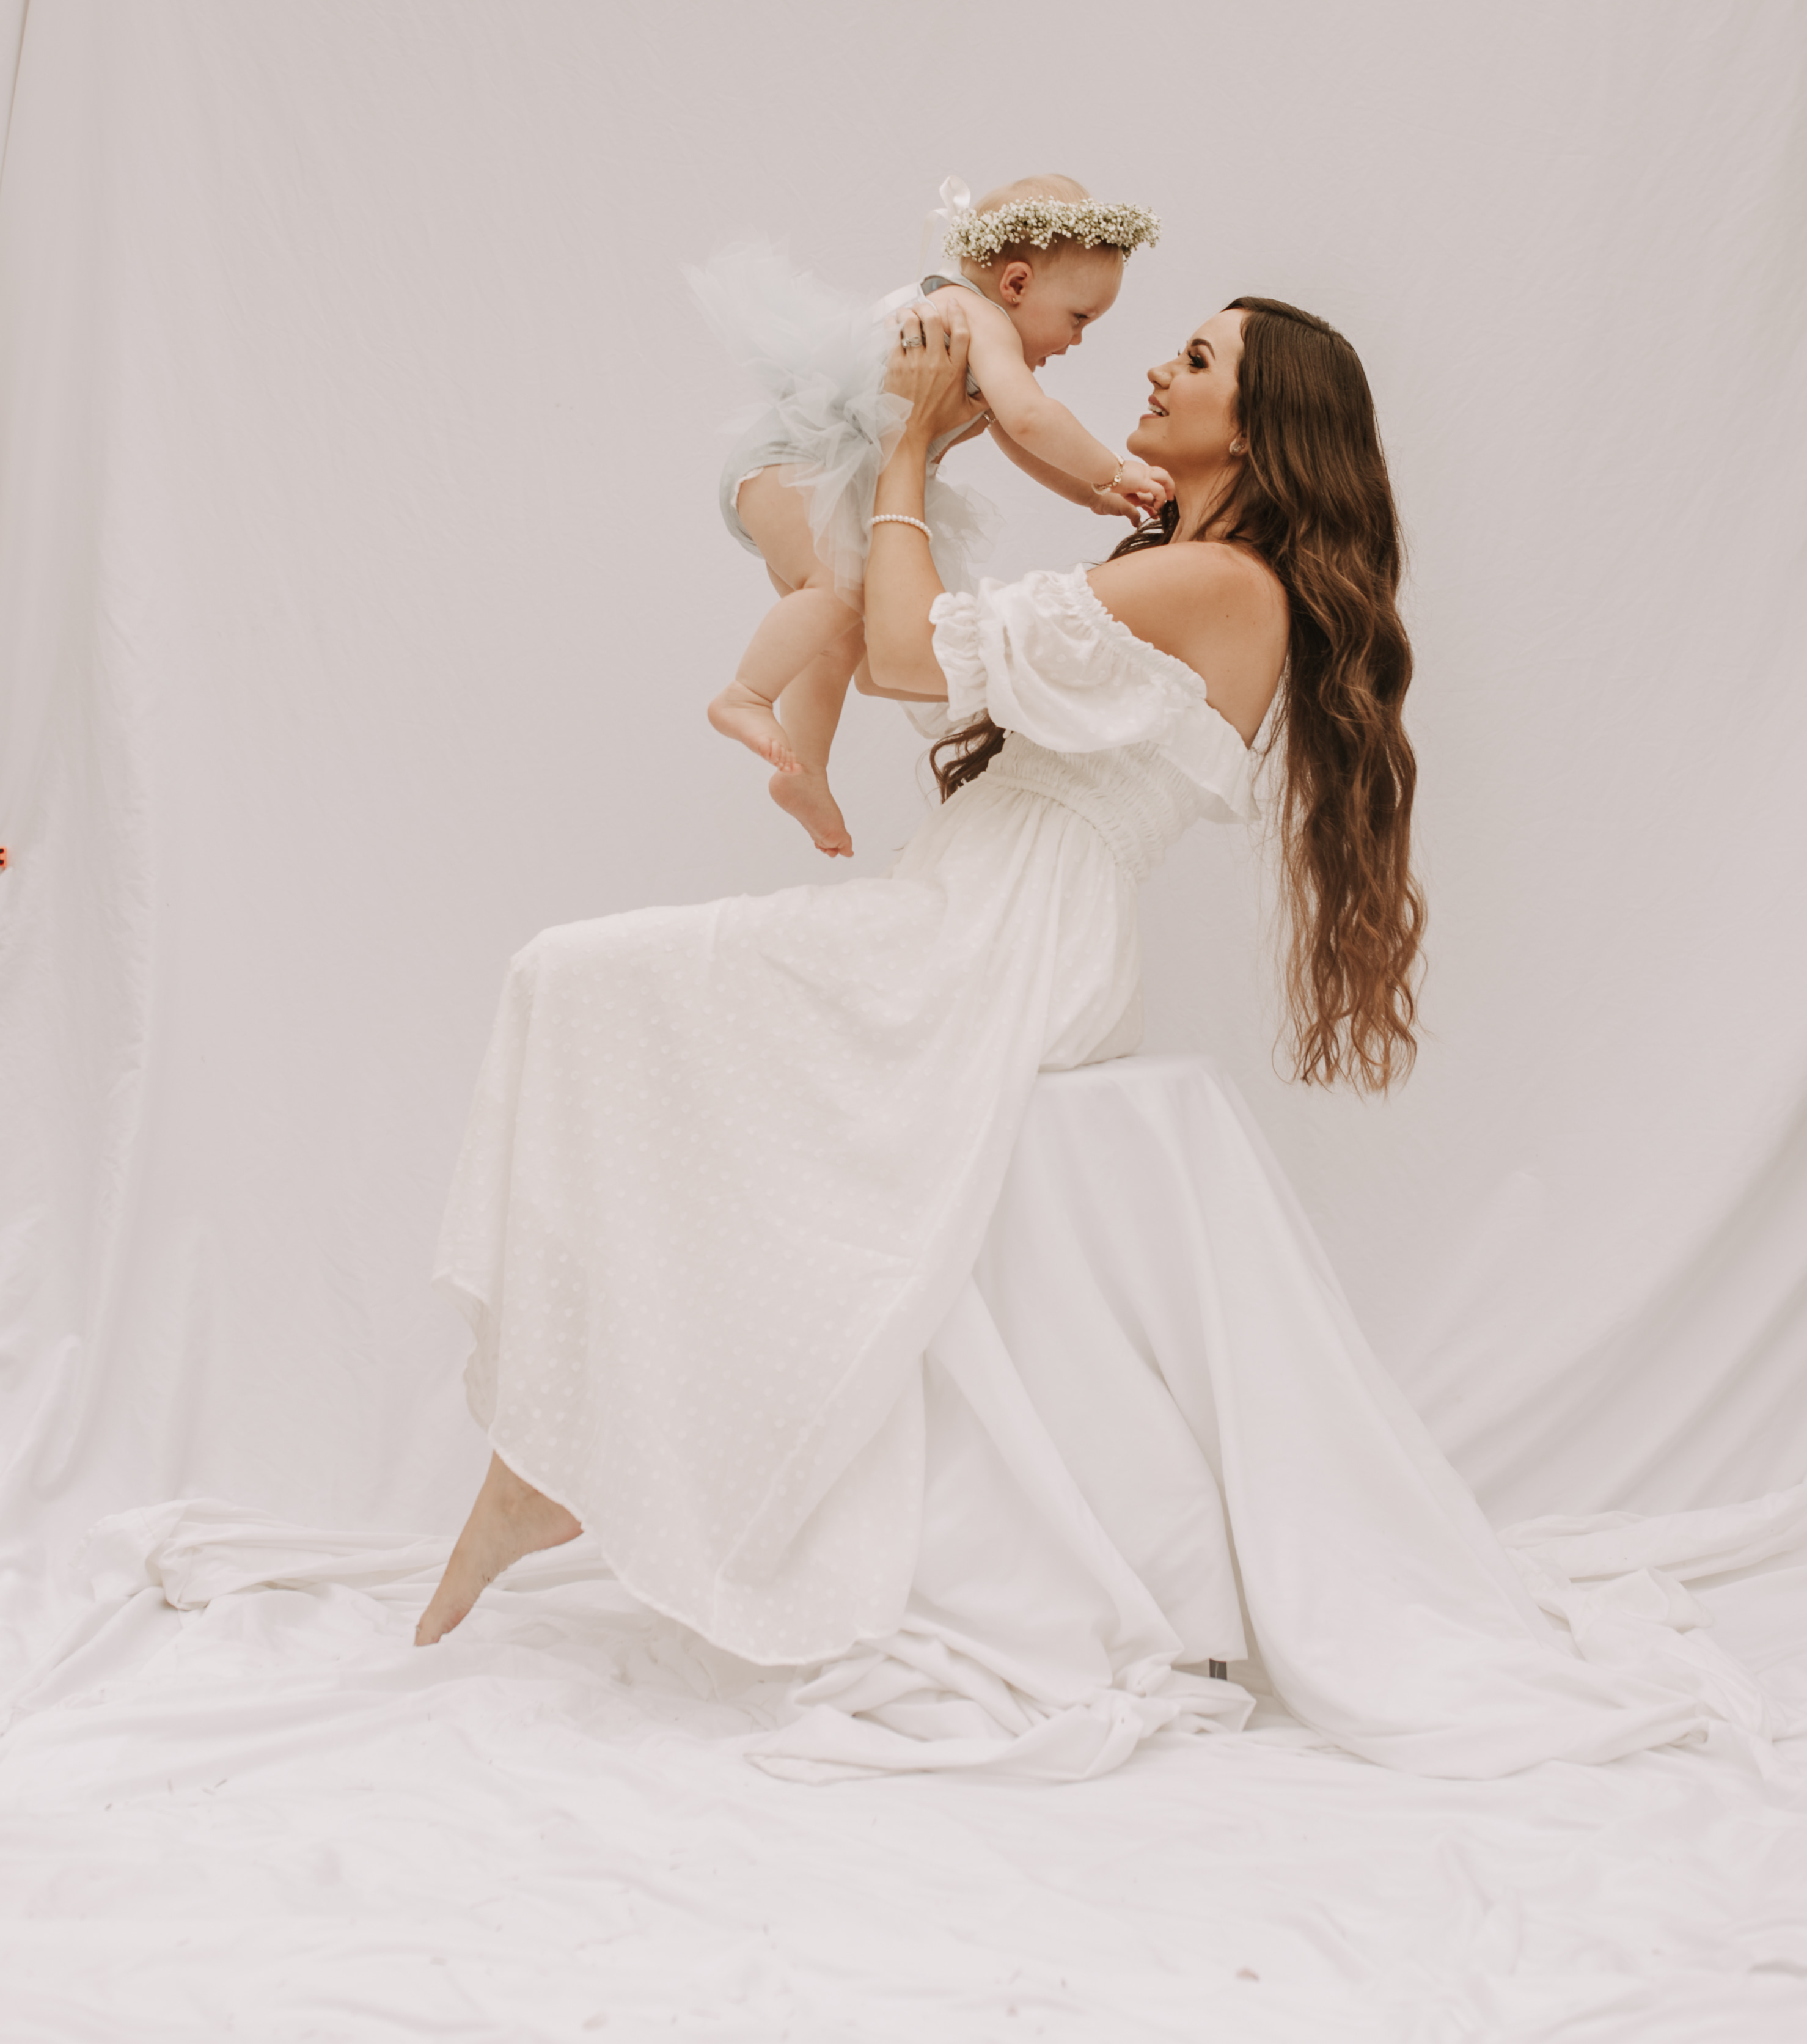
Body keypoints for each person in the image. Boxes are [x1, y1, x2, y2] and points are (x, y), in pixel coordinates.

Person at [414, 290, 1426, 1678]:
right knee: (601, 1006)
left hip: (1001, 942)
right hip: (978, 915)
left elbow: (907, 656)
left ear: (1263, 431)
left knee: (571, 979)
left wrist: (900, 451)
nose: (1153, 362)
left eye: (1195, 360)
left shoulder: (1217, 584)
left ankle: (554, 1455)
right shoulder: (1186, 570)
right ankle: (558, 1445)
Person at [694, 174, 1171, 859]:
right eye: (1079, 318)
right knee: (836, 593)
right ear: (1014, 284)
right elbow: (1034, 419)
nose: (1078, 341)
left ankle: (806, 771)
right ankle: (743, 695)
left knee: (838, 630)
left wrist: (1089, 495)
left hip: (812, 476)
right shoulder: (971, 316)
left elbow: (1014, 437)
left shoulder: (979, 336)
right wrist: (1113, 468)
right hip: (792, 463)